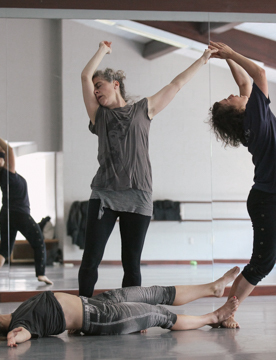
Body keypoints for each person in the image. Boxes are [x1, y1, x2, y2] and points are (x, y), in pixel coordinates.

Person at [78, 40, 217, 297]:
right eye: (94, 89)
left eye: (100, 86)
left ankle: (132, 313)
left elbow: (176, 84)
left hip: (138, 195)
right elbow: (85, 75)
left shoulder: (143, 109)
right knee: (91, 259)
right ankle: (81, 310)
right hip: (105, 195)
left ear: (115, 84)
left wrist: (202, 59)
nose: (96, 91)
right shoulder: (99, 116)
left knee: (131, 263)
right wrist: (102, 50)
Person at [207, 41, 276, 327]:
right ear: (236, 112)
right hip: (268, 199)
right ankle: (226, 313)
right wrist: (232, 52)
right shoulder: (254, 119)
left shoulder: (256, 114)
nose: (233, 94)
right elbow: (259, 74)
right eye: (228, 99)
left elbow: (245, 81)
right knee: (262, 264)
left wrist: (225, 58)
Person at [0, 266, 241, 346]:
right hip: (101, 317)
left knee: (154, 293)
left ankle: (212, 288)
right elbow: (22, 335)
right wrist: (14, 339)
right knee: (159, 315)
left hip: (96, 303)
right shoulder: (21, 325)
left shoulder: (19, 315)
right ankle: (213, 316)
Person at [0, 129, 52, 285]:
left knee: (5, 249)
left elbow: (1, 151)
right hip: (19, 214)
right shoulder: (7, 173)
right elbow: (9, 150)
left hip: (6, 214)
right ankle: (41, 274)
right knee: (38, 241)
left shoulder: (3, 175)